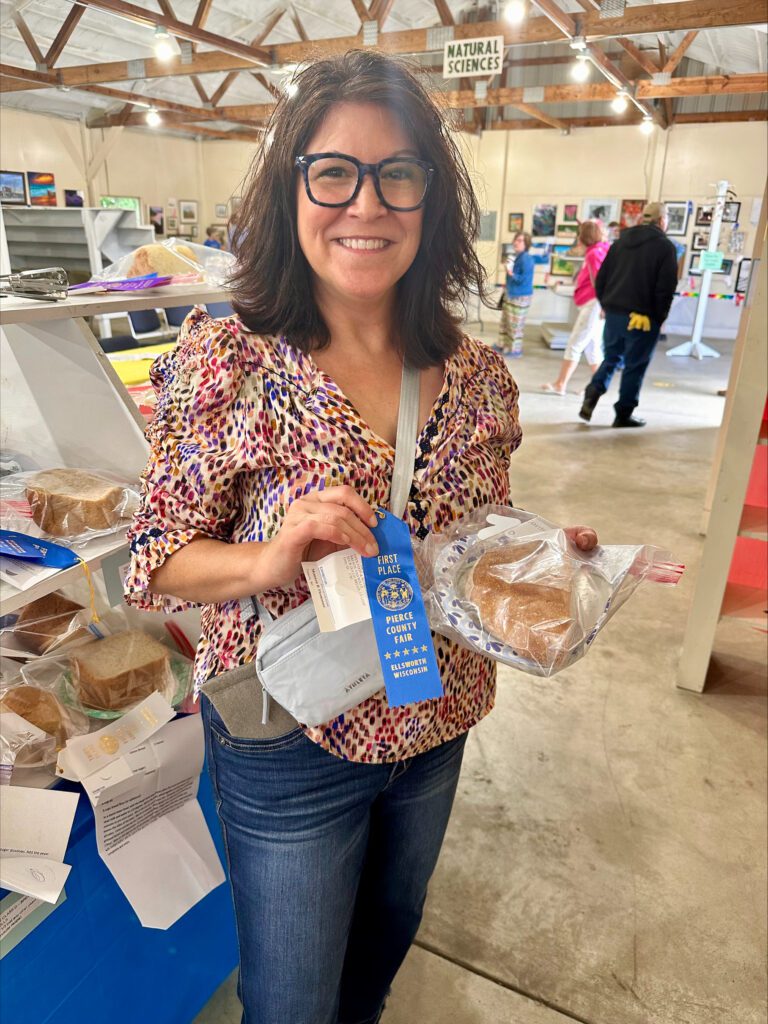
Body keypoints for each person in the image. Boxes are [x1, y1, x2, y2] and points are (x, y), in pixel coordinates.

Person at [124, 51, 597, 1024]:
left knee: (375, 966)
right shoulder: (230, 358)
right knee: (293, 1002)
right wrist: (266, 558)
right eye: (333, 172)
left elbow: (474, 540)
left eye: (399, 174)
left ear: (433, 196)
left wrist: (541, 555)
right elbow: (155, 559)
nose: (365, 204)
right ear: (292, 187)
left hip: (436, 715)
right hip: (288, 729)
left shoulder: (479, 378)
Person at [579, 201, 678, 428]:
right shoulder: (665, 247)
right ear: (662, 221)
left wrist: (607, 304)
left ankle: (592, 393)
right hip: (643, 319)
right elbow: (666, 288)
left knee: (612, 358)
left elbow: (602, 279)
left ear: (642, 218)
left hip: (614, 313)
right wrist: (658, 319)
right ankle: (623, 413)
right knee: (635, 365)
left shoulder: (620, 243)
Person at [542, 219, 610, 395]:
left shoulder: (594, 254)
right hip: (595, 304)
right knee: (593, 348)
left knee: (575, 344)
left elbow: (599, 281)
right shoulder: (601, 249)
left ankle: (560, 384)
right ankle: (598, 386)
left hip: (593, 304)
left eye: (581, 233)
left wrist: (603, 304)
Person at [496, 231, 534, 357]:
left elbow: (523, 279)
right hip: (511, 294)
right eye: (516, 240)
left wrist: (510, 273)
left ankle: (515, 350)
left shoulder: (526, 259)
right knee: (506, 322)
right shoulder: (517, 256)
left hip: (519, 296)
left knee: (515, 325)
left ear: (526, 244)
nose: (516, 242)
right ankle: (502, 345)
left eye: (520, 240)